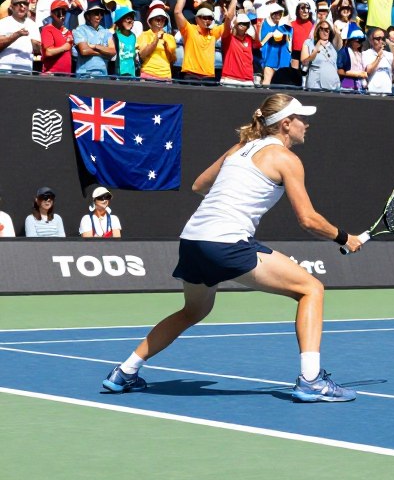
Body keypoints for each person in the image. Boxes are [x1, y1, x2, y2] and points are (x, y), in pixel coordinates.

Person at [101, 94, 363, 401]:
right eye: (302, 119)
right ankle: (311, 380)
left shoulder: (240, 148)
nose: (307, 124)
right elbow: (308, 219)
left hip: (193, 240)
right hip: (226, 242)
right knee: (311, 289)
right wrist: (345, 238)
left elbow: (199, 185)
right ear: (286, 124)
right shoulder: (286, 160)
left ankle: (125, 372)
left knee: (194, 310)